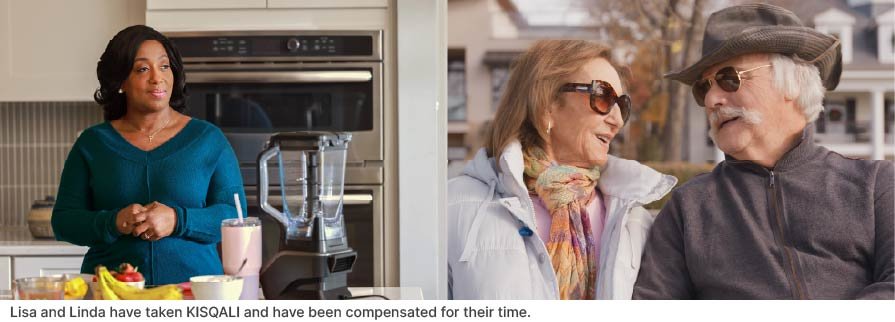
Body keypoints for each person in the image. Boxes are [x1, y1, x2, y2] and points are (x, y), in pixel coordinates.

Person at [633, 4, 894, 299]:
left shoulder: (876, 186)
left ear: (792, 84)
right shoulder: (687, 209)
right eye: (703, 88)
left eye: (729, 78)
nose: (711, 100)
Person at [447, 40, 677, 300]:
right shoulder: (455, 206)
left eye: (621, 104)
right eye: (602, 97)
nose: (618, 120)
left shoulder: (634, 220)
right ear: (547, 105)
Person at [51, 25, 247, 285]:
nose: (158, 78)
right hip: (111, 296)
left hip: (195, 295)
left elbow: (236, 218)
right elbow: (64, 221)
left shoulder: (208, 139)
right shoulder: (93, 143)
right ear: (121, 81)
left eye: (164, 66)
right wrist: (114, 221)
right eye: (143, 69)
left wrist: (178, 220)